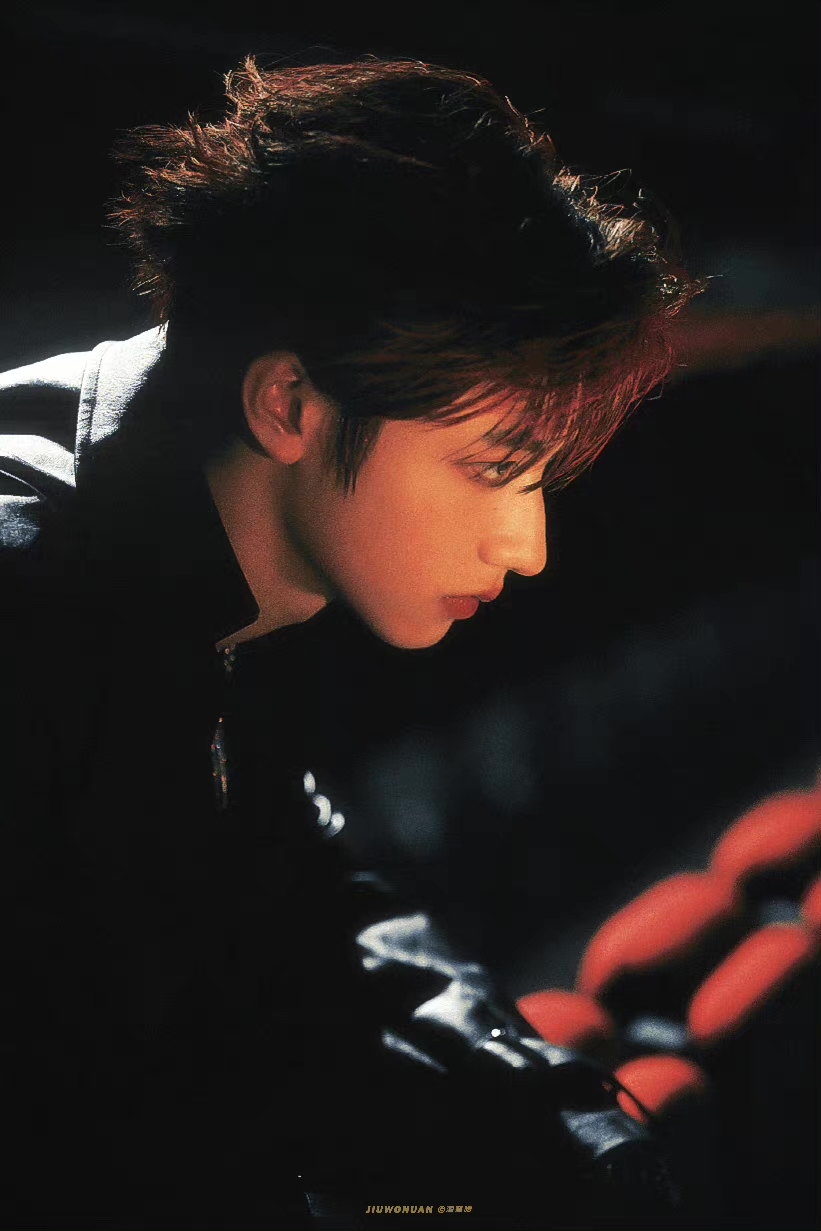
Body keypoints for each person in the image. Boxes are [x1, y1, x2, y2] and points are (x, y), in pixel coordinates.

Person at [0, 56, 700, 1229]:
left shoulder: (244, 535)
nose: (526, 547)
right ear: (288, 403)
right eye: (492, 469)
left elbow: (300, 898)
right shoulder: (28, 615)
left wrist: (554, 1118)